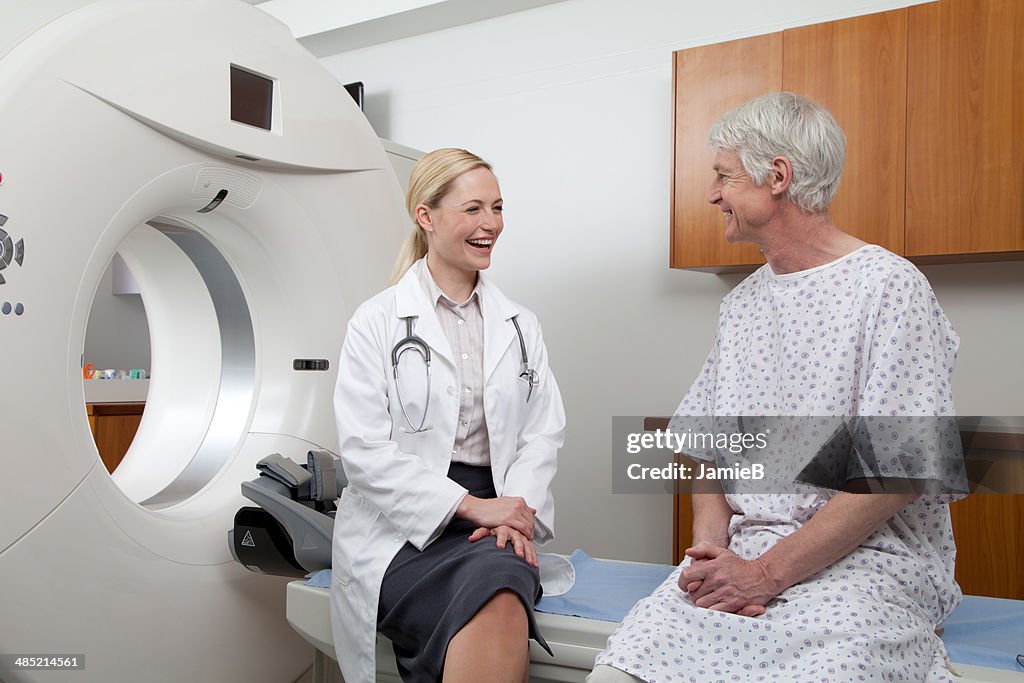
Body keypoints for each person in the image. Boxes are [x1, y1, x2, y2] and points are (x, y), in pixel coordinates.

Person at [589, 93, 964, 682]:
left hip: (867, 564)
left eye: (724, 176)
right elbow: (705, 444)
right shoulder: (742, 304)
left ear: (779, 177)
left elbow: (896, 475)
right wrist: (710, 552)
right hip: (747, 553)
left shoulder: (890, 289)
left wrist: (765, 575)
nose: (713, 195)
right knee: (623, 669)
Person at [330, 148, 566, 683]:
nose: (491, 225)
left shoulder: (521, 324)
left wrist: (515, 511)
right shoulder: (376, 321)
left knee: (501, 585)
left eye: (498, 208)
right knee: (496, 588)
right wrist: (469, 507)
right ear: (426, 216)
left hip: (502, 513)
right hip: (403, 526)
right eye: (474, 209)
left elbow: (542, 433)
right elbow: (365, 451)